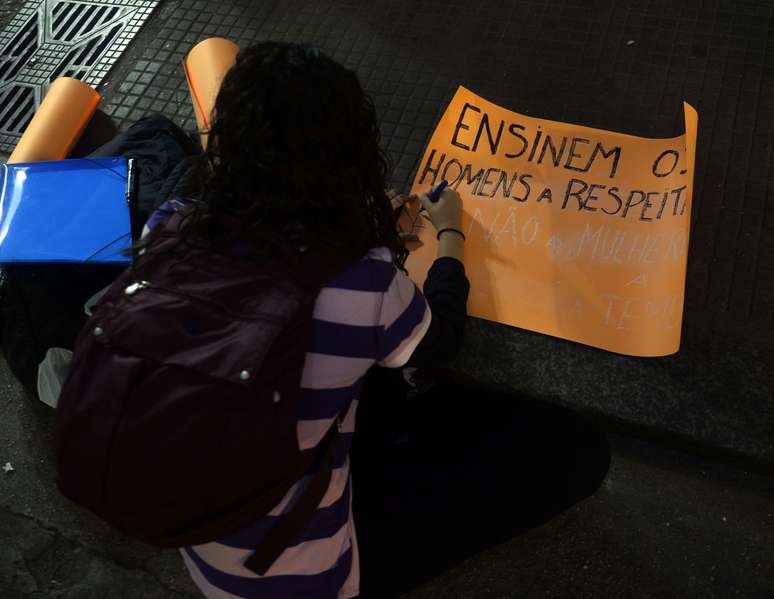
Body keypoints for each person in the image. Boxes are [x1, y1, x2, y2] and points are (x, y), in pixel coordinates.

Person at [57, 42, 610, 598]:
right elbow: (440, 341)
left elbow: (260, 265)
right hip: (314, 576)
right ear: (347, 155)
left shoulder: (171, 225)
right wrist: (451, 235)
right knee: (572, 445)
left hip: (202, 534)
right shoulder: (360, 280)